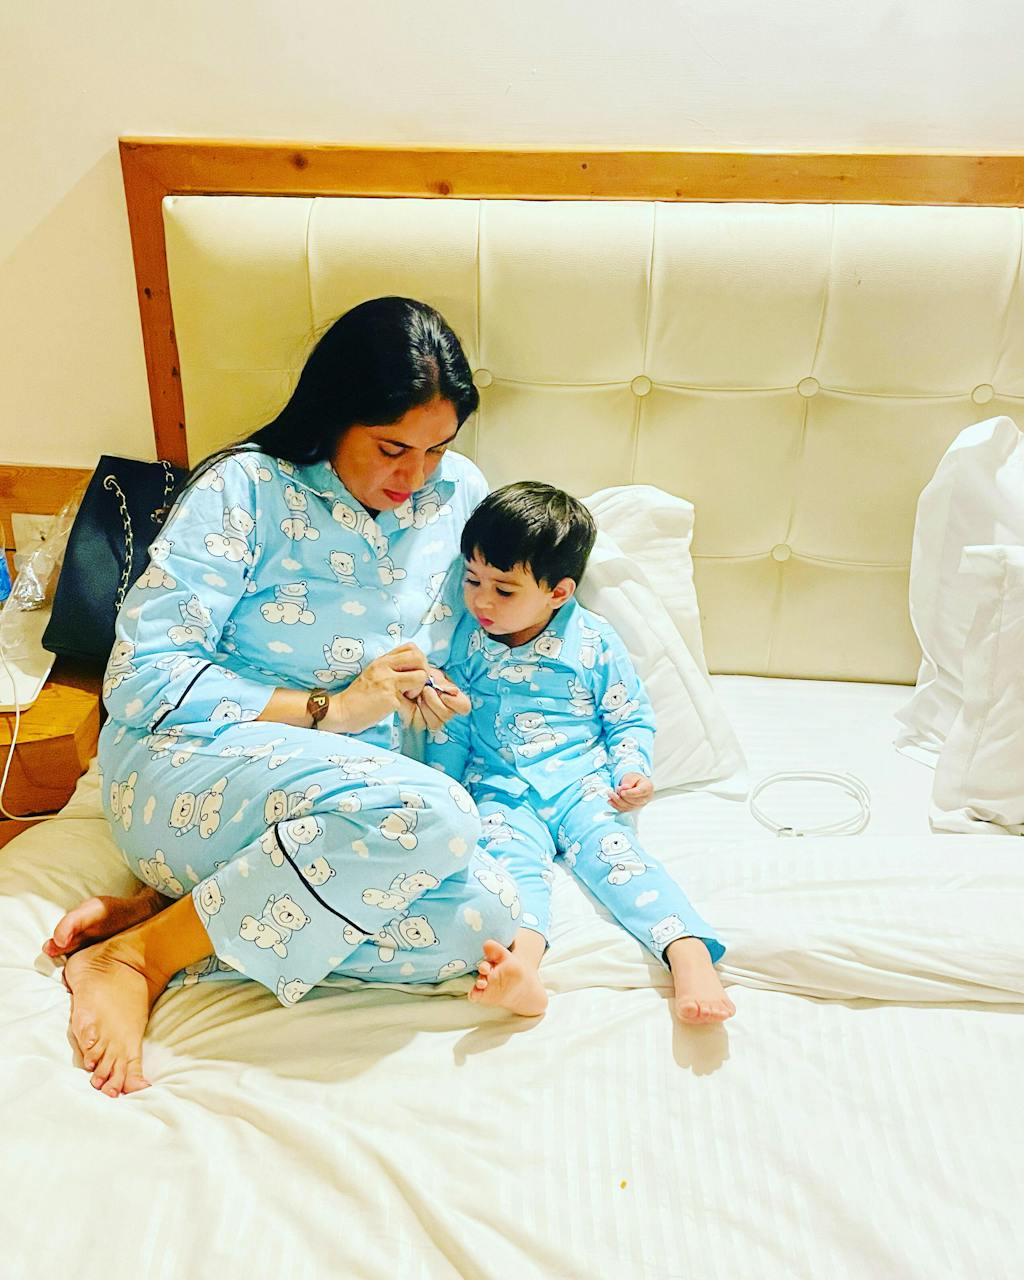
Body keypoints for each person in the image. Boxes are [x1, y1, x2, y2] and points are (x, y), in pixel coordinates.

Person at [42, 297, 524, 1098]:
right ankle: (137, 959)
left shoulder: (458, 493)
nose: (415, 478)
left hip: (352, 804)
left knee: (490, 921)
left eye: (437, 450)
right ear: (335, 416)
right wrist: (331, 708)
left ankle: (181, 915)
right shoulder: (246, 489)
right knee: (434, 816)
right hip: (190, 765)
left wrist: (437, 693)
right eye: (393, 449)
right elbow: (143, 679)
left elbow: (471, 635)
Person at [425, 482, 735, 1024]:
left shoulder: (592, 642)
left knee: (621, 863)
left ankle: (689, 956)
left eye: (504, 589)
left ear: (558, 592)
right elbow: (453, 722)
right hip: (500, 789)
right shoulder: (467, 641)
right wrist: (444, 790)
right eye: (472, 580)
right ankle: (523, 971)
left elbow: (628, 715)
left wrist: (632, 771)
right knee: (511, 874)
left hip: (583, 785)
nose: (481, 601)